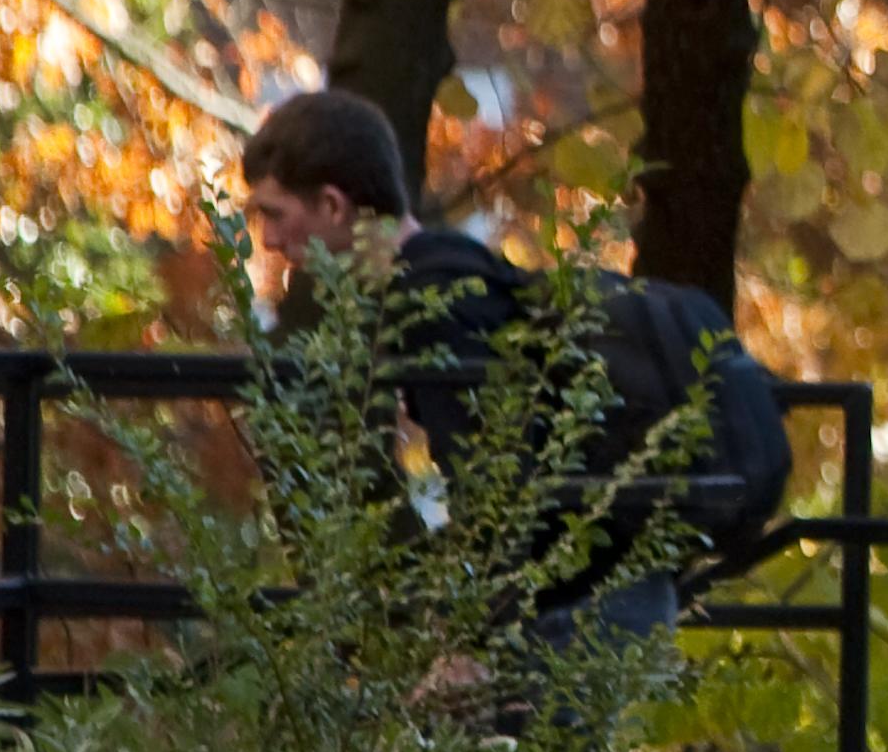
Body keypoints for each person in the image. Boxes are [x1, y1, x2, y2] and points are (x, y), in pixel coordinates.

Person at [234, 87, 680, 654]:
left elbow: (495, 488)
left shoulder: (437, 303)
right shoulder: (448, 278)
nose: (269, 239)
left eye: (275, 214)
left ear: (332, 206)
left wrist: (469, 648)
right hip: (598, 594)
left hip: (576, 615)